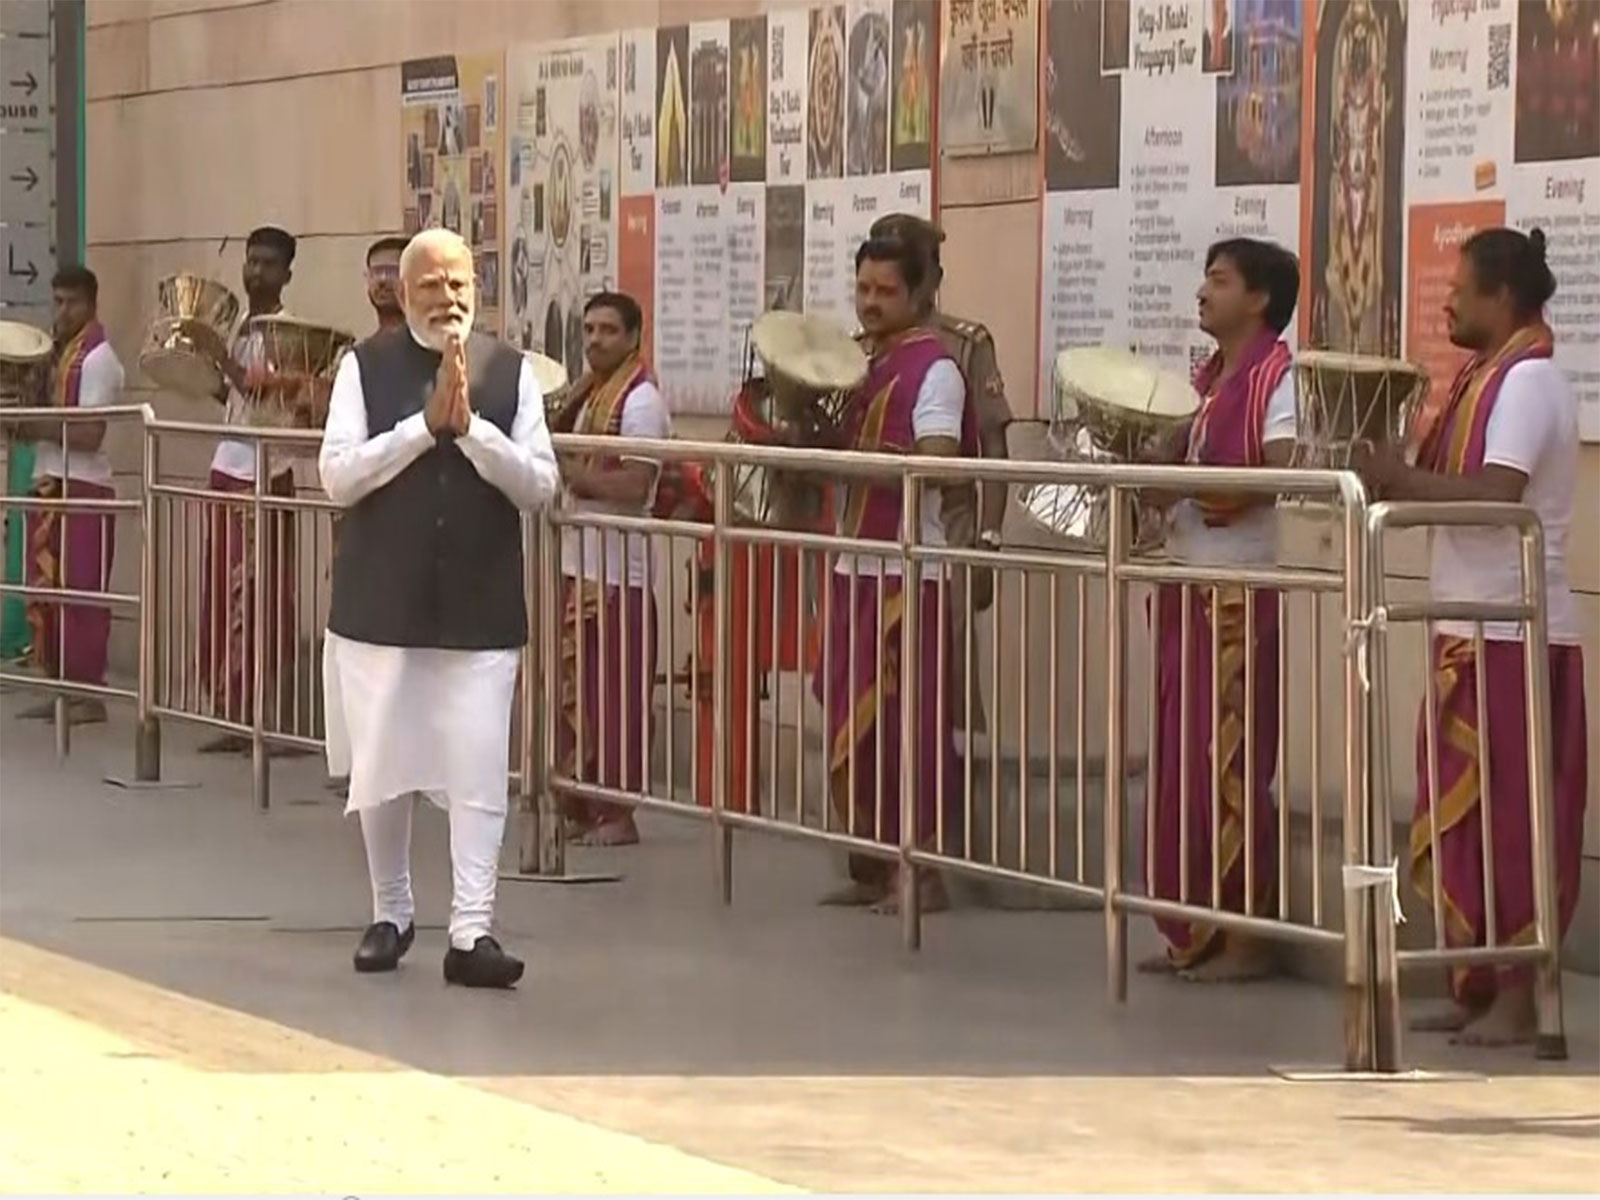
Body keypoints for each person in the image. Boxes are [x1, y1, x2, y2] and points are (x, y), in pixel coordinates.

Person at [1353, 227, 1587, 1047]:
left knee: (1513, 824)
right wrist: (1384, 469)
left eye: (1460, 289)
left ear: (1504, 297)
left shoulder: (1527, 382)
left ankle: (1521, 998)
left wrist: (1400, 479)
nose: (1446, 301)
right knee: (1464, 824)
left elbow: (1494, 496)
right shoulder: (1479, 379)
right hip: (1470, 626)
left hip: (1514, 632)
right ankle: (1475, 984)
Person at [319, 228, 559, 987]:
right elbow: (337, 476)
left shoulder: (512, 372)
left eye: (459, 284)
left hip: (479, 606)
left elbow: (539, 485)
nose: (446, 298)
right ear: (403, 292)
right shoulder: (363, 368)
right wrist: (421, 432)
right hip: (382, 604)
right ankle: (390, 912)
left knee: (479, 767)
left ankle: (471, 930)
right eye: (430, 285)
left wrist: (472, 430)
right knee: (383, 766)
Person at [1142, 238, 1300, 981]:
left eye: (1220, 280)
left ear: (1259, 299)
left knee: (1230, 761)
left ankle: (1247, 937)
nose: (1203, 292)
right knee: (1184, 759)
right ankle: (1196, 926)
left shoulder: (1278, 377)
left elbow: (1281, 473)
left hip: (1237, 596)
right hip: (1189, 586)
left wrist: (1185, 483)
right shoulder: (1205, 380)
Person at [815, 236, 976, 912]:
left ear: (919, 295)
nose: (871, 302)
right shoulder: (857, 363)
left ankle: (923, 871)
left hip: (909, 575)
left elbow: (937, 458)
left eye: (885, 291)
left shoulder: (936, 368)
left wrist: (857, 462)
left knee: (911, 724)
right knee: (854, 720)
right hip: (855, 565)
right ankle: (877, 864)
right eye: (863, 288)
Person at [866, 213, 1009, 748]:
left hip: (946, 531)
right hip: (870, 537)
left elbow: (994, 447)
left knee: (937, 679)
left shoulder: (961, 345)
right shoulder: (863, 346)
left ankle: (943, 786)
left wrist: (988, 540)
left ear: (930, 277)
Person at [548, 291, 671, 847]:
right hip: (581, 564)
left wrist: (572, 473)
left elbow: (637, 484)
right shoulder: (587, 394)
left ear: (634, 338)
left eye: (608, 331)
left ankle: (618, 814)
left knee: (617, 697)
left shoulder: (640, 400)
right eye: (589, 330)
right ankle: (581, 804)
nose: (595, 340)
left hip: (620, 573)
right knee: (576, 691)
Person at [194, 226, 301, 753]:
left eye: (267, 264)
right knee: (222, 592)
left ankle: (261, 716)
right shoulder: (239, 326)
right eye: (251, 261)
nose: (256, 272)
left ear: (287, 274)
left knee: (257, 598)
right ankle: (232, 716)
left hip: (263, 478)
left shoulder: (288, 333)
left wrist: (223, 358)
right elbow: (235, 400)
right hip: (227, 469)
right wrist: (197, 366)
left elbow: (266, 401)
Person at [12, 266, 124, 724]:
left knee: (81, 595)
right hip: (49, 482)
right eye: (56, 302)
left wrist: (28, 425)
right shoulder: (55, 356)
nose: (61, 312)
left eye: (71, 303)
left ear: (91, 304)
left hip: (82, 487)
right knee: (47, 592)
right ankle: (60, 688)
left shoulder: (98, 358)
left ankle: (88, 694)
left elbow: (90, 434)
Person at [365, 236, 409, 334]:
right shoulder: (366, 344)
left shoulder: (436, 340)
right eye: (376, 272)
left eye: (392, 271)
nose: (382, 279)